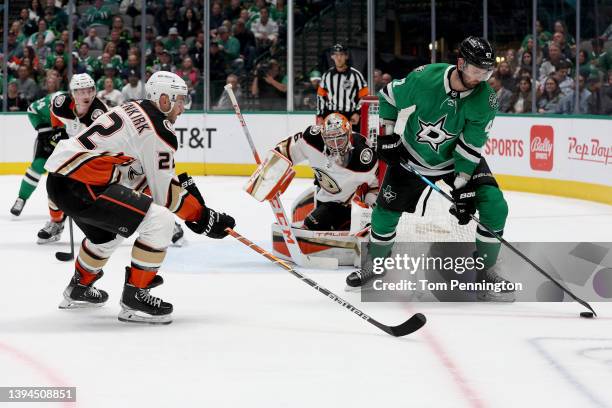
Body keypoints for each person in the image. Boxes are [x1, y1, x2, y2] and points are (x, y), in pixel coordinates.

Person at [44, 71, 236, 324]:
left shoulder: (133, 108)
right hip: (85, 185)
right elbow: (164, 196)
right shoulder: (159, 129)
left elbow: (140, 178)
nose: (183, 107)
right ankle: (135, 297)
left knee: (108, 234)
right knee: (161, 221)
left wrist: (193, 205)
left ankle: (79, 288)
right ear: (164, 99)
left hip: (61, 180)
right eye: (179, 100)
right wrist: (202, 216)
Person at [346, 37, 512, 302]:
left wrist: (463, 187)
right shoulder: (426, 78)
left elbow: (470, 145)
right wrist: (388, 135)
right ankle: (376, 264)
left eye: (486, 72)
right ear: (460, 63)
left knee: (495, 204)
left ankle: (485, 271)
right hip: (412, 156)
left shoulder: (487, 100)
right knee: (384, 213)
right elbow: (388, 96)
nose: (480, 77)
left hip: (456, 160)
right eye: (475, 70)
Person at [246, 113, 378, 231]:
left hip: (352, 203)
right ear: (323, 136)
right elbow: (286, 149)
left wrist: (369, 207)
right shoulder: (312, 138)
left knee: (314, 224)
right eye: (331, 140)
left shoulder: (363, 155)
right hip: (326, 196)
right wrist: (268, 172)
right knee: (310, 219)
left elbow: (377, 182)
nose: (336, 145)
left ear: (349, 135)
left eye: (340, 139)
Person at [10, 74, 105, 231]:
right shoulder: (57, 101)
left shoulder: (98, 113)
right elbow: (33, 110)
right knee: (41, 170)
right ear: (72, 93)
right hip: (52, 139)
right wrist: (51, 131)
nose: (85, 96)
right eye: (80, 92)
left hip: (80, 148)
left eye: (89, 91)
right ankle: (28, 202)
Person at [317, 44, 369, 130]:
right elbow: (320, 97)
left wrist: (358, 112)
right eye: (336, 55)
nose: (339, 58)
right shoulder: (327, 75)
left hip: (350, 116)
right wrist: (320, 115)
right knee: (330, 142)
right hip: (331, 115)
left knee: (352, 142)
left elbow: (364, 96)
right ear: (332, 57)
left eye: (341, 54)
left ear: (346, 56)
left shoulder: (356, 75)